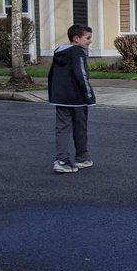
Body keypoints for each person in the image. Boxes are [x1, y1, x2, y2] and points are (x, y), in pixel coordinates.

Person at [47, 24, 95, 174]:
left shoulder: (59, 53)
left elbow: (51, 75)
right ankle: (82, 158)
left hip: (60, 98)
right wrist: (89, 96)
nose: (89, 42)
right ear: (76, 38)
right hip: (77, 98)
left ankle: (61, 160)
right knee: (80, 127)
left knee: (62, 128)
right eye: (87, 38)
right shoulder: (77, 53)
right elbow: (81, 75)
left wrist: (53, 95)